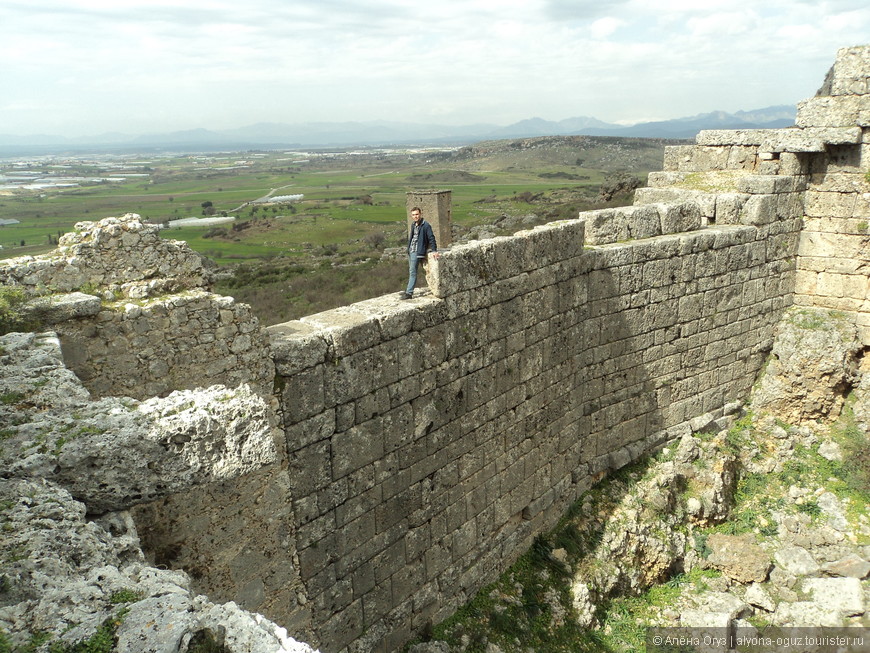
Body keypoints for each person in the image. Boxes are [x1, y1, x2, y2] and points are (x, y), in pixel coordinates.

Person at [401, 206, 440, 300]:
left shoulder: (426, 225)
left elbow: (431, 238)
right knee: (411, 271)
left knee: (412, 271)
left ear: (420, 214)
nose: (415, 216)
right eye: (413, 215)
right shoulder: (413, 225)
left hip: (417, 252)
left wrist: (434, 250)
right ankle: (408, 290)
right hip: (411, 250)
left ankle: (409, 293)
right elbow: (412, 238)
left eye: (417, 214)